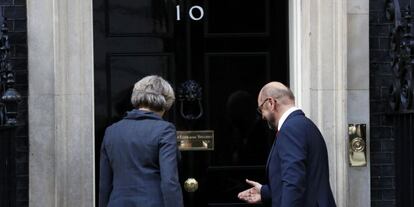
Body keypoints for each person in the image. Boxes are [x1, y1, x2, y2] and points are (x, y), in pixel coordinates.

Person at [237, 82, 336, 207]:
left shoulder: (290, 129)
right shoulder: (305, 125)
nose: (262, 116)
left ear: (271, 103)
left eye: (261, 109)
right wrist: (265, 193)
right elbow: (304, 180)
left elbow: (294, 182)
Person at [99, 75, 184, 207]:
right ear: (165, 101)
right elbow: (169, 182)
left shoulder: (111, 131)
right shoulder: (165, 130)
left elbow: (104, 184)